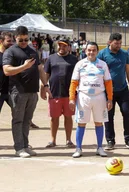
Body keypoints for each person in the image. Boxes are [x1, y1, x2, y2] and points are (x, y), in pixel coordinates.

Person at [2, 26, 51, 158]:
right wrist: (24, 66)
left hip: (32, 91)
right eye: (21, 40)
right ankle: (19, 147)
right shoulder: (10, 52)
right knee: (18, 120)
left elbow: (40, 68)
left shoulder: (33, 51)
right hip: (18, 91)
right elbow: (7, 70)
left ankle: (25, 145)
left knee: (27, 120)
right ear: (15, 38)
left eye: (26, 39)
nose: (24, 42)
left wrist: (45, 85)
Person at [69, 42, 113, 158]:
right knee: (81, 122)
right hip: (84, 97)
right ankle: (78, 148)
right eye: (89, 50)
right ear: (85, 51)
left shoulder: (103, 65)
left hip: (99, 97)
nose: (91, 52)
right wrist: (72, 98)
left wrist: (110, 99)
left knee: (99, 122)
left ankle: (100, 147)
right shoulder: (80, 64)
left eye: (94, 50)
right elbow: (74, 82)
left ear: (97, 52)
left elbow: (108, 82)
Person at [97, 33, 129, 150]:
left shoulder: (124, 54)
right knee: (109, 116)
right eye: (116, 43)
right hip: (107, 91)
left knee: (127, 113)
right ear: (110, 42)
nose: (118, 45)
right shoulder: (102, 54)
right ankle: (110, 140)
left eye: (120, 43)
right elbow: (98, 72)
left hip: (123, 89)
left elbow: (128, 70)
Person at [43, 38, 78, 148]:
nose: (62, 48)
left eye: (64, 46)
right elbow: (45, 75)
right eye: (60, 45)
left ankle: (68, 140)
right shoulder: (51, 58)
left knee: (68, 117)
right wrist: (43, 89)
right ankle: (53, 140)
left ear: (69, 47)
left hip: (69, 94)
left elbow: (79, 76)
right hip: (54, 92)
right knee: (54, 118)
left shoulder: (74, 59)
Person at [0, 31, 13, 113]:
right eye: (8, 41)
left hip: (10, 89)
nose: (10, 43)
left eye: (11, 41)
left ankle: (28, 122)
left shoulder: (11, 54)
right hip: (0, 90)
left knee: (19, 109)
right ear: (1, 41)